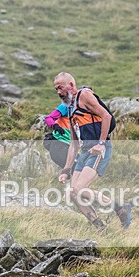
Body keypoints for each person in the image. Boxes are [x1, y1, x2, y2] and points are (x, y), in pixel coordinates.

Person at [54, 72, 131, 231]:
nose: (58, 92)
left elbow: (106, 116)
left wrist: (101, 143)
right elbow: (74, 144)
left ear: (71, 85)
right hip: (85, 151)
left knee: (79, 189)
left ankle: (120, 207)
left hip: (98, 149)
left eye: (60, 88)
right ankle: (100, 227)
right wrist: (66, 170)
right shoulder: (70, 108)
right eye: (56, 89)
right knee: (72, 194)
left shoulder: (85, 95)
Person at [43, 102, 71, 168]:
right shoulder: (66, 106)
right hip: (60, 143)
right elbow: (48, 118)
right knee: (75, 169)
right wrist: (55, 126)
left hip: (71, 146)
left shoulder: (88, 110)